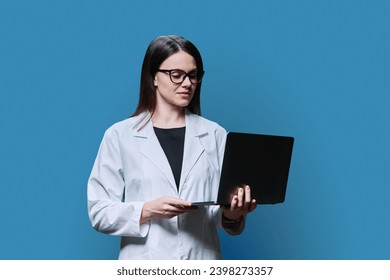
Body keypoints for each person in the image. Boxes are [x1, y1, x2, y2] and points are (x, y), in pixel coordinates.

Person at [87, 35, 257, 260]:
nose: (187, 83)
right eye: (176, 75)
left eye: (193, 76)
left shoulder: (215, 134)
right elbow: (99, 212)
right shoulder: (120, 136)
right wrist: (147, 210)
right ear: (153, 77)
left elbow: (217, 215)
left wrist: (232, 215)